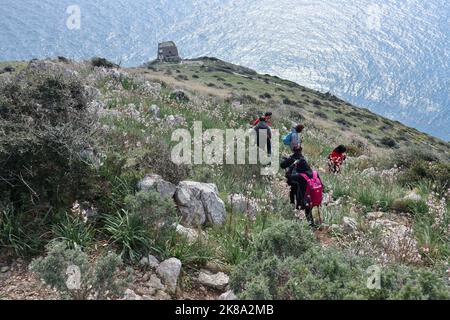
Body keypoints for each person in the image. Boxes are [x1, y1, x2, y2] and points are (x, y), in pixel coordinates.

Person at [289, 157, 323, 228]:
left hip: (304, 198)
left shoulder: (300, 176)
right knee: (311, 210)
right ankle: (316, 224)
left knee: (304, 210)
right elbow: (322, 185)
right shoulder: (315, 173)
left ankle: (309, 226)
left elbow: (289, 176)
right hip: (316, 197)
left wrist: (293, 166)